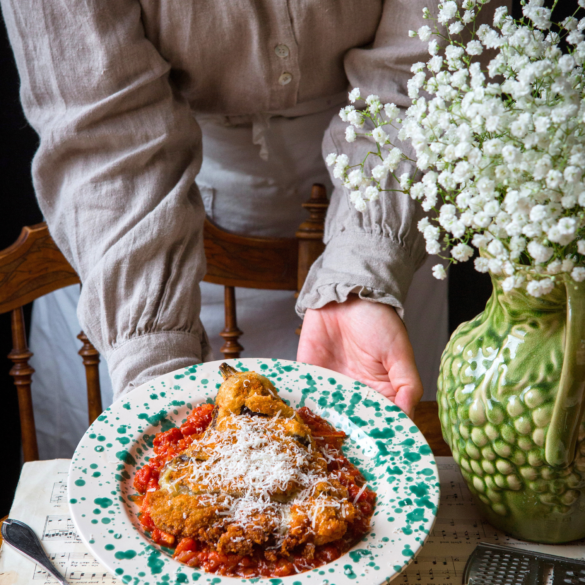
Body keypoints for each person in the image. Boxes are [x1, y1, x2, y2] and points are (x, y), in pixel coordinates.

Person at [1, 0, 500, 457]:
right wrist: (153, 363)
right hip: (133, 221)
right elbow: (104, 132)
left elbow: (418, 77)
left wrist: (366, 271)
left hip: (389, 189)